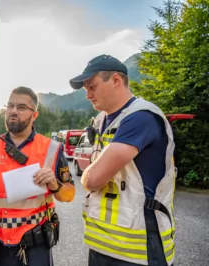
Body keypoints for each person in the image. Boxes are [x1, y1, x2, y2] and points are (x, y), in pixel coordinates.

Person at [69, 54, 176, 266]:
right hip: (104, 244)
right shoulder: (103, 122)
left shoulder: (140, 117)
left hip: (138, 250)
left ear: (116, 80)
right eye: (86, 90)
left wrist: (88, 176)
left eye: (92, 86)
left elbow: (93, 180)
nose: (88, 95)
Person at [0, 86, 76, 266]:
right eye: (10, 106)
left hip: (34, 245)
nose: (13, 111)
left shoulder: (51, 148)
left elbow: (69, 194)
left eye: (21, 107)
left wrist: (54, 184)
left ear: (34, 115)